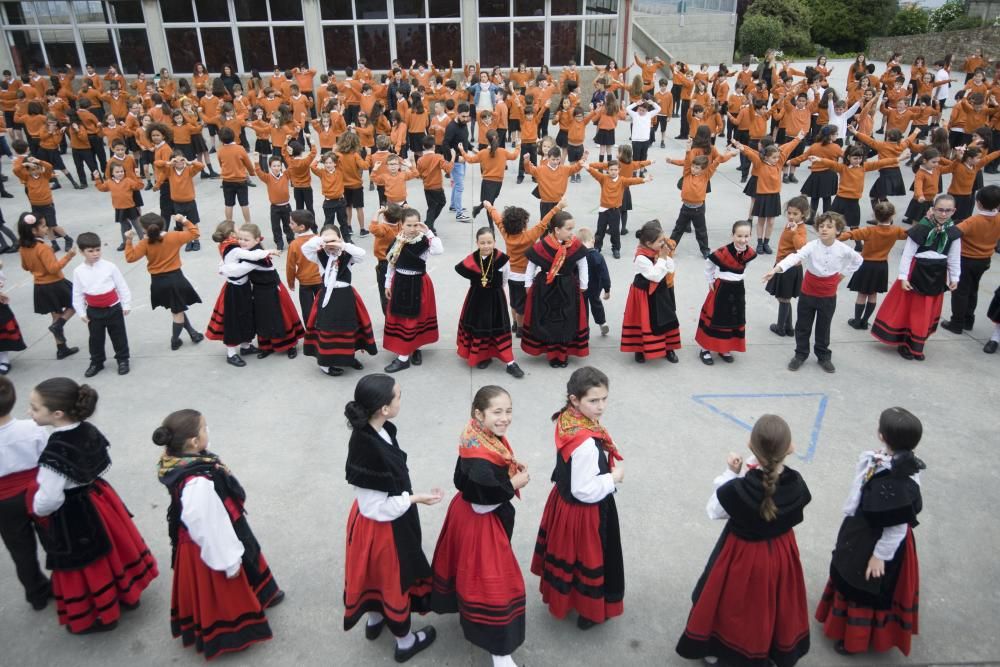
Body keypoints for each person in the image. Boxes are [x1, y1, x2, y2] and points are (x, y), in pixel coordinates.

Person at [675, 414, 812, 666]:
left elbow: (714, 510)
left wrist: (730, 473)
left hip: (741, 554)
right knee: (773, 602)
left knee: (728, 601)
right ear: (790, 448)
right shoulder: (797, 486)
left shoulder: (738, 489)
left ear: (751, 445)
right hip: (780, 553)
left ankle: (716, 648)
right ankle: (771, 648)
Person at [29, 378, 158, 634]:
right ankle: (127, 594)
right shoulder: (86, 429)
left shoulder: (55, 451)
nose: (29, 413)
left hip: (74, 512)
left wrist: (36, 508)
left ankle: (102, 614)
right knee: (113, 547)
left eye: (34, 408)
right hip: (99, 498)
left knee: (87, 562)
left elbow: (50, 498)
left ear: (56, 413)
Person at [154, 408, 283, 660]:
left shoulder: (182, 460)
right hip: (215, 536)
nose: (207, 432)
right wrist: (228, 560)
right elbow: (207, 527)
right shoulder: (197, 482)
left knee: (250, 553)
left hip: (226, 521)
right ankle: (234, 629)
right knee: (229, 576)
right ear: (193, 441)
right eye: (204, 428)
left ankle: (262, 593)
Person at [342, 374, 441, 663]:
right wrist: (415, 498)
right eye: (398, 395)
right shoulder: (368, 448)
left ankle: (374, 620)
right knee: (392, 580)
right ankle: (405, 641)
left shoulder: (376, 430)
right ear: (384, 408)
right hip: (383, 529)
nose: (401, 398)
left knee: (373, 576)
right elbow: (377, 507)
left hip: (373, 522)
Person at [431, 386, 530, 667]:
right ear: (479, 413)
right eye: (497, 412)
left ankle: (462, 607)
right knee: (494, 585)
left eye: (508, 410)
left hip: (463, 515)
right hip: (480, 523)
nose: (505, 418)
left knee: (466, 571)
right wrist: (513, 483)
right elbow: (482, 502)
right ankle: (499, 652)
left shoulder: (474, 434)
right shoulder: (480, 460)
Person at [814, 407, 925, 657]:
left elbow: (897, 526)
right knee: (849, 572)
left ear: (882, 435)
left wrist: (879, 556)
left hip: (876, 541)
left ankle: (855, 639)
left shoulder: (900, 480)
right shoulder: (895, 462)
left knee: (864, 585)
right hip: (863, 528)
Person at [531, 366, 624, 630]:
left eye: (604, 398)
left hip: (563, 503)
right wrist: (613, 478)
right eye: (593, 401)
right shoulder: (584, 443)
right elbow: (585, 489)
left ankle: (568, 598)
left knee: (569, 557)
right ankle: (591, 609)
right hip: (585, 511)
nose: (601, 406)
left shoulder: (567, 419)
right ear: (575, 400)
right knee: (592, 558)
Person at [763, 212, 863, 373]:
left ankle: (823, 355)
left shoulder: (843, 249)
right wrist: (776, 269)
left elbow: (858, 260)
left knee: (824, 326)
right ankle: (800, 354)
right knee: (803, 325)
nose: (824, 229)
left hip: (828, 294)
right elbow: (795, 257)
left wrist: (843, 275)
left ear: (838, 231)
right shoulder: (812, 246)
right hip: (808, 291)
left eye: (829, 226)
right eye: (821, 226)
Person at [871, 194, 961, 361]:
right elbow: (908, 253)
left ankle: (917, 344)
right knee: (912, 309)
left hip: (937, 274)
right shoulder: (922, 228)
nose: (943, 213)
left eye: (948, 210)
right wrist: (904, 277)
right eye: (940, 209)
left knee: (926, 311)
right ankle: (906, 343)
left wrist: (954, 277)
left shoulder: (953, 232)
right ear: (933, 209)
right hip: (917, 272)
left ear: (954, 211)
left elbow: (954, 257)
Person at [0, 377, 50, 610]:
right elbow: (49, 458)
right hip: (37, 491)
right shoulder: (32, 428)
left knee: (20, 550)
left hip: (4, 502)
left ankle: (36, 593)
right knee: (53, 539)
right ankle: (66, 581)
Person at [301, 223, 377, 376]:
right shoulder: (319, 254)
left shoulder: (347, 255)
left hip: (345, 297)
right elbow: (306, 248)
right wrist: (323, 240)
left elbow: (362, 254)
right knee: (327, 329)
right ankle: (325, 363)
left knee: (349, 327)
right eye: (326, 240)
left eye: (333, 239)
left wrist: (341, 244)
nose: (330, 244)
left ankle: (349, 357)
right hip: (328, 298)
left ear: (340, 238)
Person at [520, 208, 590, 368]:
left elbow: (582, 263)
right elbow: (531, 265)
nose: (572, 232)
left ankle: (563, 354)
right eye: (569, 229)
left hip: (567, 287)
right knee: (549, 321)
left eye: (573, 228)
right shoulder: (542, 246)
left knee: (566, 320)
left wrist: (584, 284)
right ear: (557, 230)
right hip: (545, 288)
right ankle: (552, 355)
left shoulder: (575, 245)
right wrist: (528, 284)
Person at [125, 213, 204, 350]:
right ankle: (175, 340)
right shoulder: (174, 236)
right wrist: (184, 220)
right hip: (176, 278)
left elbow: (130, 257)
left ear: (144, 229)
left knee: (177, 307)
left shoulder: (145, 243)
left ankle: (193, 333)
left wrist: (129, 241)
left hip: (158, 282)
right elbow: (195, 233)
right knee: (177, 311)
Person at [455, 226, 524, 378]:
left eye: (489, 242)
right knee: (480, 327)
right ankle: (483, 356)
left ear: (494, 242)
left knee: (498, 328)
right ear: (477, 243)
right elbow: (461, 269)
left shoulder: (502, 259)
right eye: (482, 243)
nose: (486, 246)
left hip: (495, 298)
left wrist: (497, 290)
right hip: (476, 299)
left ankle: (509, 362)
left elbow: (505, 278)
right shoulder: (472, 259)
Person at [383, 208, 442, 372]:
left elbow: (439, 250)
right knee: (403, 318)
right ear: (401, 225)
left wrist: (428, 231)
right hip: (400, 282)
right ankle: (408, 350)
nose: (412, 228)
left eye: (416, 224)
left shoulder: (424, 240)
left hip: (418, 282)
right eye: (409, 225)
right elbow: (391, 263)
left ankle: (407, 355)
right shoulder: (397, 241)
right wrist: (387, 283)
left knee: (416, 317)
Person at [235, 223, 305, 359]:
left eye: (246, 239)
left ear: (257, 240)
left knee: (282, 317)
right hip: (259, 290)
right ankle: (267, 346)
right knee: (263, 318)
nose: (242, 242)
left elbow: (242, 265)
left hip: (273, 289)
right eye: (240, 239)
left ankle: (290, 345)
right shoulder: (246, 252)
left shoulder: (257, 255)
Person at [17, 212, 80, 359]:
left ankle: (61, 348)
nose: (46, 229)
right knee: (76, 303)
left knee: (55, 314)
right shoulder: (42, 248)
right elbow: (53, 268)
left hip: (40, 286)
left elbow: (25, 267)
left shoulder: (23, 247)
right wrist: (69, 256)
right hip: (55, 283)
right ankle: (58, 326)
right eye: (44, 226)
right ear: (34, 230)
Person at [695, 220, 757, 366]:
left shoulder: (750, 253)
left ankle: (724, 348)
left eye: (746, 236)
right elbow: (709, 263)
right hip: (722, 288)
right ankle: (705, 349)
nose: (743, 239)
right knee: (714, 318)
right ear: (732, 235)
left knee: (732, 319)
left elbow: (745, 267)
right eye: (739, 236)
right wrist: (710, 279)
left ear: (750, 236)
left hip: (738, 290)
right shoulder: (723, 252)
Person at [839, 202, 909, 330]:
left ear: (875, 215)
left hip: (866, 264)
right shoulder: (896, 230)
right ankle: (865, 321)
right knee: (873, 294)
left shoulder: (869, 230)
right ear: (893, 215)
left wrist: (837, 236)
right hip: (881, 266)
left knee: (862, 294)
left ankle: (857, 320)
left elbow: (850, 235)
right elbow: (910, 233)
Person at [71, 232, 131, 377]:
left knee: (118, 336)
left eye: (97, 249)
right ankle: (97, 362)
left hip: (113, 308)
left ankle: (122, 359)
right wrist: (81, 312)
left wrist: (126, 304)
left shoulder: (109, 266)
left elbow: (122, 285)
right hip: (93, 310)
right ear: (81, 252)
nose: (95, 254)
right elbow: (77, 293)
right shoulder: (78, 271)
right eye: (90, 251)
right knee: (95, 339)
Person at [941, 184, 1000, 333]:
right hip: (984, 260)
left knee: (960, 292)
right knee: (973, 290)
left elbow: (951, 234)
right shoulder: (998, 219)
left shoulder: (974, 221)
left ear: (978, 203)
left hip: (966, 260)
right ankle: (968, 320)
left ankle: (956, 323)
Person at [621, 220, 680, 364]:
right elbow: (655, 276)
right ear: (648, 243)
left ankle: (668, 347)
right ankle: (640, 348)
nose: (663, 243)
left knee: (666, 317)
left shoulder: (660, 251)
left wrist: (666, 256)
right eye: (660, 241)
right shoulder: (641, 257)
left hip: (661, 291)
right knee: (644, 320)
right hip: (644, 293)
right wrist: (663, 258)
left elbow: (671, 269)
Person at [584, 159, 649, 259]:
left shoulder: (622, 180)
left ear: (619, 170)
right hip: (603, 210)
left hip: (615, 211)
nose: (613, 171)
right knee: (600, 231)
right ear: (607, 170)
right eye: (611, 169)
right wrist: (587, 167)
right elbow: (594, 173)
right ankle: (597, 247)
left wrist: (643, 180)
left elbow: (632, 181)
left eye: (615, 169)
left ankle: (616, 249)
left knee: (615, 232)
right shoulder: (603, 178)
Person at [765, 198, 810, 337]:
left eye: (795, 214)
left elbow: (801, 248)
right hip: (782, 264)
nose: (791, 216)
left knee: (783, 298)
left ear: (803, 214)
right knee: (784, 298)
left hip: (788, 267)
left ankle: (780, 327)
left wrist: (795, 232)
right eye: (789, 213)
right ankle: (789, 327)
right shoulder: (790, 224)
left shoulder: (800, 229)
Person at [576, 228, 612, 338]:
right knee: (596, 304)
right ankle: (602, 323)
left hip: (581, 287)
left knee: (583, 308)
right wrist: (607, 289)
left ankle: (585, 330)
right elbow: (604, 274)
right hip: (595, 286)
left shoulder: (578, 256)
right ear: (592, 240)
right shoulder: (598, 256)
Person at [443, 102, 473, 221]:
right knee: (459, 186)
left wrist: (472, 148)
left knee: (456, 184)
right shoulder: (451, 127)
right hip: (456, 162)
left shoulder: (463, 124)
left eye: (467, 116)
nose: (466, 119)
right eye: (463, 116)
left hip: (463, 159)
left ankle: (453, 206)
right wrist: (455, 158)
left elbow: (464, 140)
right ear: (457, 114)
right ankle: (459, 214)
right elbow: (445, 145)